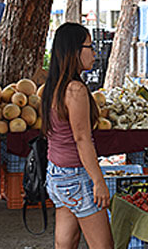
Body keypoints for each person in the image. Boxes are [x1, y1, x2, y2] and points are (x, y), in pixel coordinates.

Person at [42, 23, 111, 249]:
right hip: (76, 175)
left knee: (66, 242)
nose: (94, 53)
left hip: (56, 174)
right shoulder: (75, 90)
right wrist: (98, 181)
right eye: (89, 47)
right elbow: (82, 140)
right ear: (74, 51)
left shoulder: (53, 86)